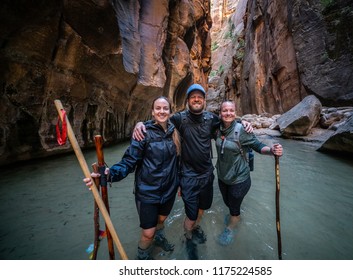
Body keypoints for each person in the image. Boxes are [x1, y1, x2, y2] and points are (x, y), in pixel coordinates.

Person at [132, 84, 253, 259]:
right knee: (190, 214)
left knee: (202, 209)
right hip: (187, 176)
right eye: (193, 97)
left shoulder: (211, 119)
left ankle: (194, 228)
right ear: (188, 101)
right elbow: (160, 120)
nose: (196, 99)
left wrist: (243, 121)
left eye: (200, 97)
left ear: (204, 100)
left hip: (206, 175)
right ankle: (188, 238)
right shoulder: (179, 119)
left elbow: (228, 121)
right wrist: (140, 124)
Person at [84, 96, 181, 260]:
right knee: (148, 233)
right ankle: (142, 257)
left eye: (165, 108)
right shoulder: (143, 133)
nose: (162, 111)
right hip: (147, 192)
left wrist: (179, 184)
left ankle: (159, 238)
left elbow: (178, 162)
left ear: (170, 112)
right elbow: (129, 161)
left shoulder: (175, 132)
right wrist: (109, 174)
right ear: (152, 111)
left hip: (169, 190)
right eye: (158, 108)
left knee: (161, 221)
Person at [215, 100, 283, 246]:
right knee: (228, 203)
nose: (228, 113)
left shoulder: (243, 130)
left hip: (239, 179)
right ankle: (235, 216)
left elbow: (258, 146)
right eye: (225, 110)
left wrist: (271, 151)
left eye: (231, 110)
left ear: (235, 112)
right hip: (222, 177)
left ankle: (231, 228)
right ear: (220, 113)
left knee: (234, 209)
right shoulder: (217, 128)